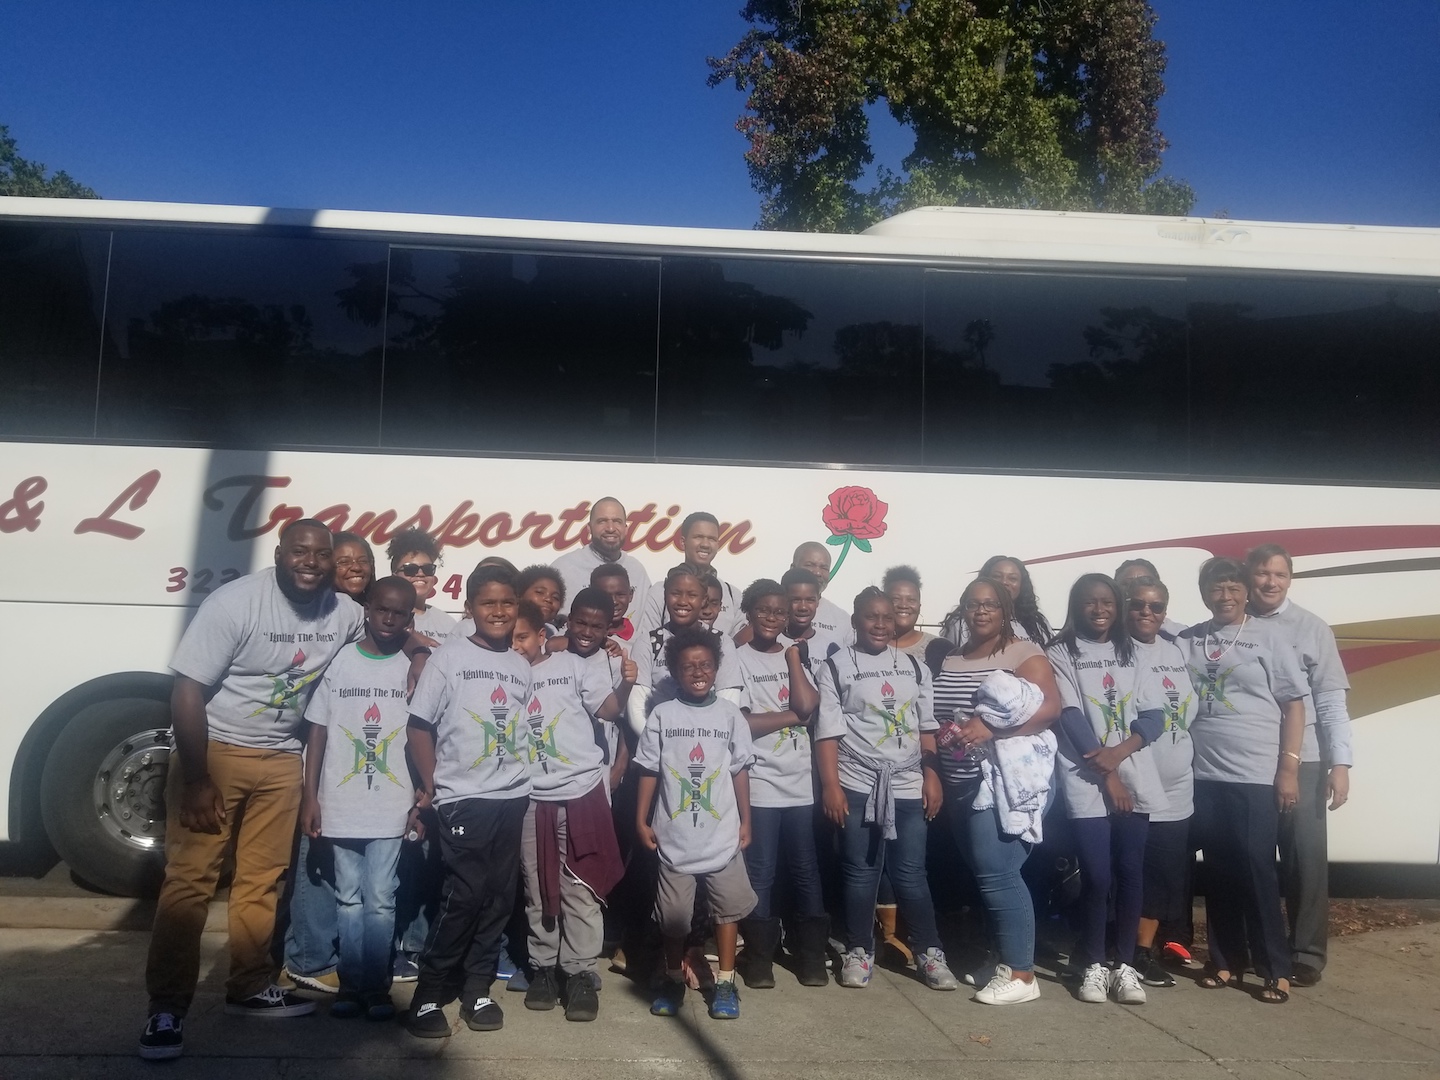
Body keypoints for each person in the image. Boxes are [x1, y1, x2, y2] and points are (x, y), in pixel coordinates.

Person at [139, 520, 366, 1061]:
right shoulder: (236, 603)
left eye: (321, 555)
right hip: (217, 752)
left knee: (263, 880)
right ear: (280, 553)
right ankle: (166, 1009)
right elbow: (188, 690)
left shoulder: (346, 613)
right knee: (190, 883)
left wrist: (423, 650)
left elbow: (380, 648)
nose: (310, 563)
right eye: (299, 552)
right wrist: (196, 778)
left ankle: (248, 986)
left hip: (284, 760)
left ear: (333, 560)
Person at [403, 564, 534, 1038]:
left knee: (499, 896)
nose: (498, 611)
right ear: (471, 608)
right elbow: (419, 725)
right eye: (487, 603)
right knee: (463, 895)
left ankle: (478, 987)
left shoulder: (521, 665)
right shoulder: (450, 657)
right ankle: (428, 995)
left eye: (506, 603)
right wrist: (434, 783)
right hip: (463, 799)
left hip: (512, 796)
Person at [1175, 557, 1308, 1004]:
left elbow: (1294, 705)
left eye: (1233, 587)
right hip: (1204, 773)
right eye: (1216, 587)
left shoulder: (1270, 637)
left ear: (1247, 591)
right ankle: (1225, 959)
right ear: (1204, 592)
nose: (1225, 595)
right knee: (1217, 870)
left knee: (1255, 867)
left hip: (1255, 773)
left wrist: (1288, 768)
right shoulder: (1190, 640)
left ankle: (1275, 967)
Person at [814, 587, 958, 992]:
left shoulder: (914, 667)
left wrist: (932, 776)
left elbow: (926, 726)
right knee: (861, 873)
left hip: (909, 783)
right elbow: (827, 732)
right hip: (857, 781)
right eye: (871, 617)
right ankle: (860, 950)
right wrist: (830, 786)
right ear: (856, 621)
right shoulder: (837, 666)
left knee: (912, 874)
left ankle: (930, 952)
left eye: (887, 617)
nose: (880, 624)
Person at [930, 576, 1060, 1006]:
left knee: (999, 873)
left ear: (1006, 611)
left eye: (990, 604)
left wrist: (990, 726)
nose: (981, 611)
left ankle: (1023, 975)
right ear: (963, 609)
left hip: (1001, 781)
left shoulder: (1024, 653)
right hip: (960, 779)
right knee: (986, 876)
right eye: (973, 604)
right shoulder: (952, 657)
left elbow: (1049, 710)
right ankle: (1005, 960)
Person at [297, 575, 419, 1021]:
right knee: (348, 897)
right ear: (367, 609)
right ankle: (350, 984)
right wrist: (310, 797)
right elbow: (318, 730)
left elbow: (427, 733)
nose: (389, 619)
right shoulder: (340, 662)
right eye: (382, 609)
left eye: (400, 612)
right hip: (340, 804)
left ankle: (377, 988)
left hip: (392, 804)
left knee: (382, 898)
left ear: (411, 618)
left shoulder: (415, 666)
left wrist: (422, 797)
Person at [1047, 574, 1168, 1006]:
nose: (1099, 609)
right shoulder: (1061, 653)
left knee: (1130, 873)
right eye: (1089, 602)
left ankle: (1126, 966)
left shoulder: (1133, 651)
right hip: (1087, 776)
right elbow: (1070, 716)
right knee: (1098, 876)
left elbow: (1155, 717)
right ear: (1075, 606)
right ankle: (1094, 964)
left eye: (1107, 602)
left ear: (1117, 607)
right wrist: (1108, 774)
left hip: (1132, 771)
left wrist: (1122, 754)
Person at [510, 594, 632, 1022]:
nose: (517, 645)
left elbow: (612, 710)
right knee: (538, 886)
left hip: (581, 790)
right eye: (511, 638)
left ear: (543, 635)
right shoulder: (503, 675)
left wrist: (627, 682)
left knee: (579, 885)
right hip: (530, 796)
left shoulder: (573, 667)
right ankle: (543, 968)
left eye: (523, 636)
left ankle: (579, 973)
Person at [635, 627, 757, 1020]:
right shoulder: (662, 715)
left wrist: (746, 819)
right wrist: (641, 818)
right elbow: (650, 770)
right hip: (675, 838)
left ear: (718, 668)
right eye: (688, 666)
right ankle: (673, 977)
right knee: (674, 919)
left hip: (721, 836)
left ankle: (725, 982)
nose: (698, 671)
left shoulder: (730, 715)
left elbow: (739, 770)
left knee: (727, 912)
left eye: (705, 664)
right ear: (674, 671)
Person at [1246, 543, 1353, 987]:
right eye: (1262, 574)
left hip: (1305, 760)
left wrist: (1340, 762)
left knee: (1304, 863)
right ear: (1248, 576)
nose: (1271, 582)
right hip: (1247, 763)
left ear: (1290, 580)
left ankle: (1306, 952)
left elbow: (1330, 700)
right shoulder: (1234, 623)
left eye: (1280, 575)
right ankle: (1260, 948)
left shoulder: (1311, 628)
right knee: (1252, 861)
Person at [280, 529, 376, 996]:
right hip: (317, 747)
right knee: (315, 850)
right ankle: (309, 957)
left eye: (363, 559)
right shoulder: (317, 613)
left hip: (356, 758)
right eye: (344, 560)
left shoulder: (365, 616)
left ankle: (336, 950)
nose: (355, 566)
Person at [732, 578, 828, 989]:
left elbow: (809, 704)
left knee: (806, 870)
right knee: (762, 871)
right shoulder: (735, 659)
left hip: (800, 784)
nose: (773, 618)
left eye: (780, 612)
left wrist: (792, 660)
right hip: (761, 783)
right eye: (765, 610)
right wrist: (791, 718)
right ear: (750, 613)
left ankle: (811, 959)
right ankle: (759, 960)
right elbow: (740, 723)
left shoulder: (798, 656)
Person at [1123, 576, 1196, 988]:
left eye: (1156, 606)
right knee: (1128, 871)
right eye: (1138, 605)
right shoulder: (1113, 651)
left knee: (1162, 876)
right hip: (1133, 783)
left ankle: (1143, 953)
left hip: (1177, 787)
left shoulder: (1177, 650)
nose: (1147, 613)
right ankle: (1117, 949)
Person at [627, 563, 744, 738]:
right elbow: (638, 708)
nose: (682, 601)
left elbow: (728, 702)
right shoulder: (649, 643)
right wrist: (659, 743)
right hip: (658, 743)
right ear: (665, 596)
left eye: (692, 595)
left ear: (704, 600)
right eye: (675, 593)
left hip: (710, 741)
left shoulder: (721, 642)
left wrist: (701, 739)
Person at [636, 513, 742, 639]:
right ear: (683, 542)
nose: (705, 544)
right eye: (698, 537)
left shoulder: (732, 595)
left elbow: (739, 648)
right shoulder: (660, 591)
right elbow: (649, 639)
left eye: (712, 539)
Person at [551, 497, 653, 624]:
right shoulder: (564, 568)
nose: (610, 528)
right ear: (589, 528)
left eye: (617, 521)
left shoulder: (637, 570)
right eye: (602, 521)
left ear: (626, 528)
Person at [942, 555, 1052, 646]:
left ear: (1022, 585)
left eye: (1012, 578)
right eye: (997, 576)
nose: (1004, 582)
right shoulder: (963, 622)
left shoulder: (1037, 623)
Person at [388, 529, 459, 641]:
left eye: (427, 569)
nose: (420, 574)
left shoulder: (448, 623)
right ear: (394, 576)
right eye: (410, 569)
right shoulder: (384, 619)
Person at [791, 541, 857, 650]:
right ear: (793, 568)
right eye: (810, 565)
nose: (818, 572)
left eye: (824, 568)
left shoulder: (842, 620)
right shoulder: (774, 610)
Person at [884, 565, 946, 668]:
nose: (903, 605)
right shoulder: (868, 648)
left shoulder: (941, 648)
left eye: (911, 600)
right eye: (896, 599)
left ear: (919, 606)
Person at [1115, 559, 1187, 638]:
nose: (1137, 589)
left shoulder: (1179, 636)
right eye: (1127, 584)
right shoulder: (1104, 633)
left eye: (1145, 582)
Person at [591, 562, 637, 655]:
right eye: (605, 595)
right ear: (591, 595)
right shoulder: (579, 633)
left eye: (620, 595)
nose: (614, 602)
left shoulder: (640, 640)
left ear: (630, 595)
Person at [516, 565, 566, 635]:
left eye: (555, 597)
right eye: (540, 592)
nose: (548, 599)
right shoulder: (507, 629)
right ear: (520, 594)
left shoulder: (553, 634)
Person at [332, 531, 376, 603]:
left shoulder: (379, 609)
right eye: (344, 562)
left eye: (363, 561)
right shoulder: (316, 611)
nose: (356, 568)